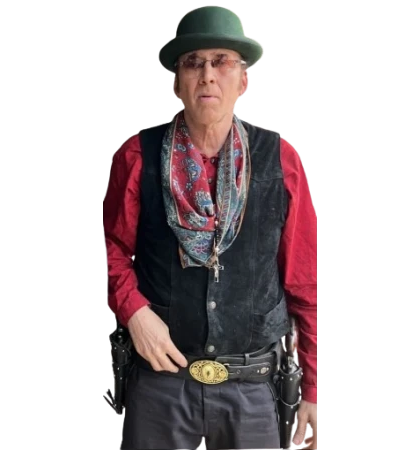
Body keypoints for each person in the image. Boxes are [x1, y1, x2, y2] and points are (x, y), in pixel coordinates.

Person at [103, 5, 317, 450]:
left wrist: (313, 391)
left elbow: (303, 281)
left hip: (253, 393)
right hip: (160, 388)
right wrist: (134, 311)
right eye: (193, 63)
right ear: (176, 83)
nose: (207, 75)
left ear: (243, 81)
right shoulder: (136, 156)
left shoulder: (281, 162)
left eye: (222, 62)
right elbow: (111, 252)